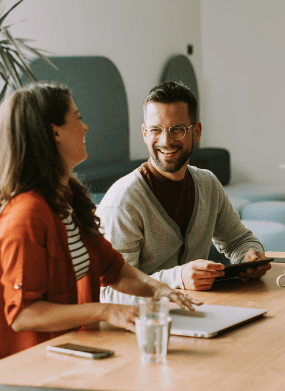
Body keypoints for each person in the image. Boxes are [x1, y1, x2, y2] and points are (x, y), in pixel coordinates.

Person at [0, 81, 199, 360]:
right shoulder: (26, 215)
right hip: (36, 367)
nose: (85, 127)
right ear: (54, 133)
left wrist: (161, 290)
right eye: (77, 119)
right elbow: (23, 314)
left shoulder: (68, 199)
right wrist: (106, 310)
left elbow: (115, 270)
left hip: (76, 349)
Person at [98, 81, 271, 304]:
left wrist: (250, 256)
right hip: (146, 328)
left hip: (200, 314)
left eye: (177, 129)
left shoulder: (207, 184)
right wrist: (177, 278)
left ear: (196, 131)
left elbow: (238, 240)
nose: (166, 140)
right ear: (144, 133)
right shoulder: (123, 201)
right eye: (155, 130)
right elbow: (111, 292)